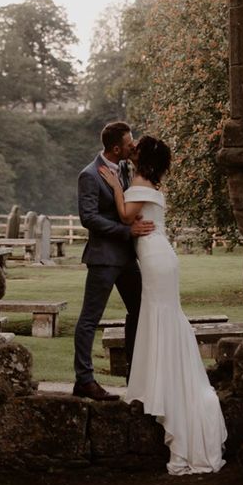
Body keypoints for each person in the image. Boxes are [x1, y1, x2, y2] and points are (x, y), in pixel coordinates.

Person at [100, 135, 227, 475]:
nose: (134, 149)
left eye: (138, 147)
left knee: (159, 314)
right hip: (160, 256)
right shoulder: (150, 181)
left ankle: (166, 387)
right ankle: (163, 379)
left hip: (155, 258)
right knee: (161, 316)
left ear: (145, 157)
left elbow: (126, 215)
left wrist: (114, 186)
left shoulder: (139, 182)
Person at [73, 121, 155, 401]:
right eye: (129, 143)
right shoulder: (89, 175)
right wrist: (126, 230)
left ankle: (135, 375)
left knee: (140, 311)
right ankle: (84, 380)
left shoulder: (125, 168)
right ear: (116, 147)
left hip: (127, 258)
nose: (133, 146)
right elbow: (89, 218)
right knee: (89, 319)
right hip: (104, 258)